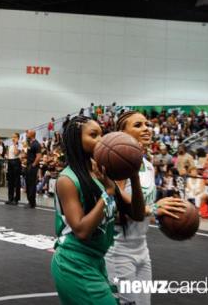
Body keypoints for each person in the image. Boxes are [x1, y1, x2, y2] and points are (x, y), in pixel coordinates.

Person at [51, 115, 145, 305]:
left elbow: (137, 213)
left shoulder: (101, 174)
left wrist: (133, 176)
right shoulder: (67, 180)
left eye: (102, 134)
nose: (101, 140)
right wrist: (108, 193)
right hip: (73, 263)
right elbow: (82, 230)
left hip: (95, 261)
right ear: (77, 141)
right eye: (93, 135)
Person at [105, 111, 186, 305]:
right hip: (118, 250)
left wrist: (166, 215)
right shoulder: (116, 164)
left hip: (141, 248)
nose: (146, 129)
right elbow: (111, 211)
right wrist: (152, 209)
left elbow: (145, 209)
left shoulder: (148, 165)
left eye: (147, 124)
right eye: (138, 125)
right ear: (122, 133)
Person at [25, 130, 41, 208]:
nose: (27, 134)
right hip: (28, 165)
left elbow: (38, 156)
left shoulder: (36, 144)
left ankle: (32, 202)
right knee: (28, 183)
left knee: (31, 184)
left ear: (32, 134)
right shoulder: (30, 143)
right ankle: (29, 201)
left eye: (28, 133)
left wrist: (33, 165)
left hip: (32, 166)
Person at [6, 133, 22, 205]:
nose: (13, 138)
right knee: (10, 181)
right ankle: (10, 198)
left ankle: (16, 198)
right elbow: (9, 155)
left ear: (18, 138)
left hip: (16, 162)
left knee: (16, 181)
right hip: (10, 162)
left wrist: (16, 144)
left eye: (15, 137)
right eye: (12, 137)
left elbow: (16, 153)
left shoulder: (19, 145)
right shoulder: (10, 145)